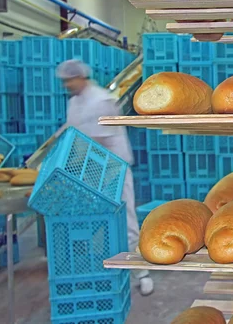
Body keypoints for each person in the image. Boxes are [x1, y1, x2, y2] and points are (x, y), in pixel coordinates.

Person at [56, 59, 154, 295]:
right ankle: (109, 273)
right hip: (92, 170)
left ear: (82, 76)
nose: (68, 84)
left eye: (71, 79)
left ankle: (141, 273)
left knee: (126, 221)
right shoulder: (75, 102)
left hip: (114, 169)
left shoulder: (101, 100)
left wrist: (64, 160)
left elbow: (94, 140)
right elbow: (71, 129)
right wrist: (50, 146)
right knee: (99, 224)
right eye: (65, 81)